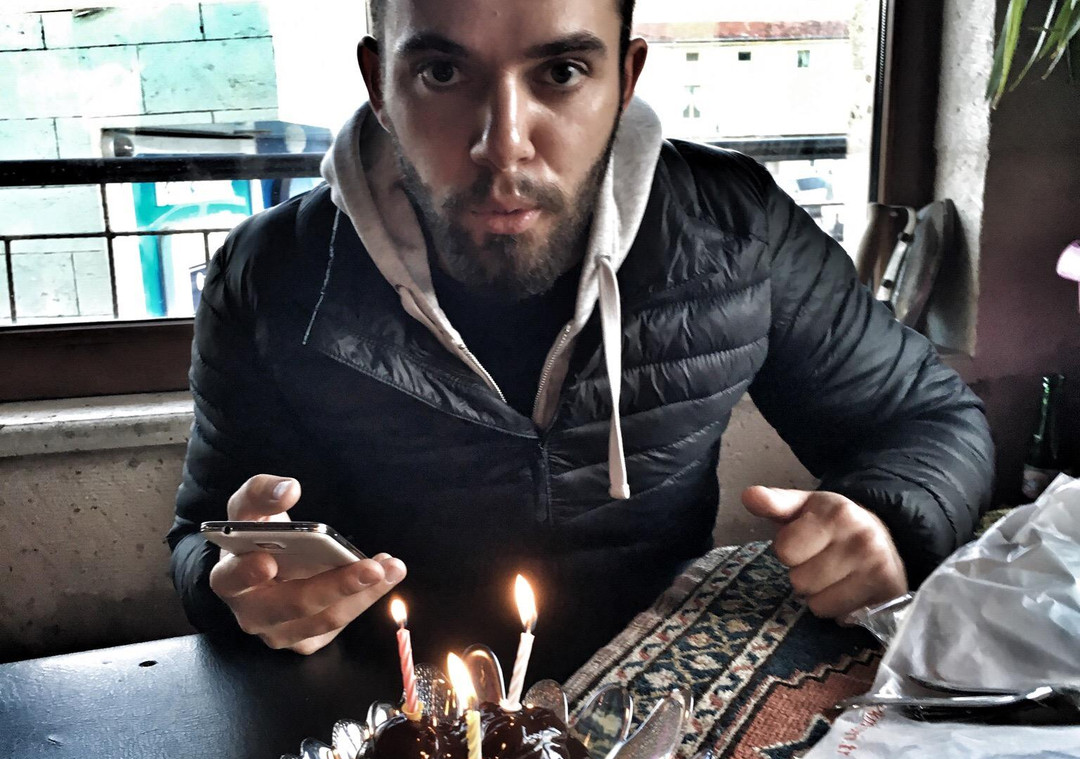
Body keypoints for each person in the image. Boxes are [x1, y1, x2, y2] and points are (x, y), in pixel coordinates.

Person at [166, 0, 994, 681]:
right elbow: (207, 535)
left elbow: (928, 418)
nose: (504, 143)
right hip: (384, 720)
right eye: (442, 72)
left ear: (625, 80)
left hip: (665, 704)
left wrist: (887, 522)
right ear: (379, 84)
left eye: (561, 72)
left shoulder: (737, 231)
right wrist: (243, 587)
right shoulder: (271, 273)